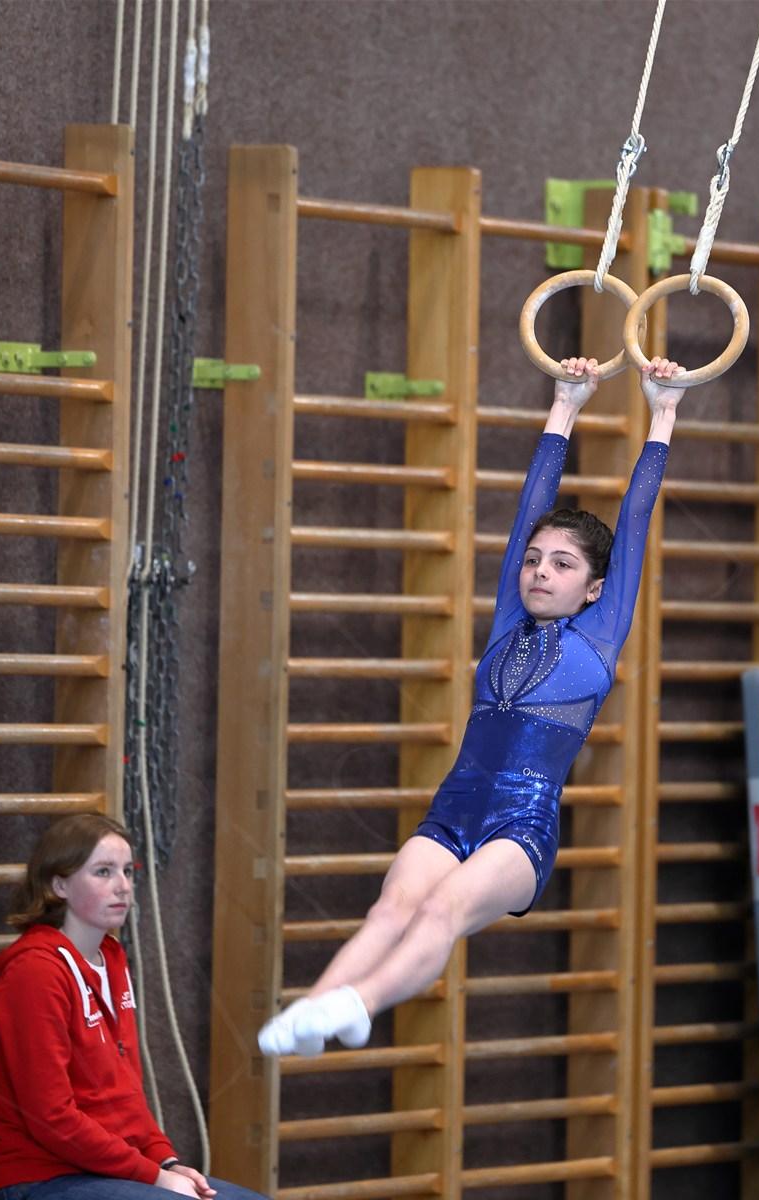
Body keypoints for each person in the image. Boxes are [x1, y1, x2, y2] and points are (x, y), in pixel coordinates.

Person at [258, 356, 687, 1057]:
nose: (539, 571)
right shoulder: (508, 622)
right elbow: (529, 506)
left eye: (562, 565)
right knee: (392, 906)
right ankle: (311, 1013)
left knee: (442, 910)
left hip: (523, 823)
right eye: (534, 560)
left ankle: (358, 1003)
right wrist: (565, 402)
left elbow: (636, 517)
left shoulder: (600, 638)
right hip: (456, 804)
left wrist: (662, 412)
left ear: (594, 589)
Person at [0, 813, 266, 1200]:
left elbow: (128, 1093)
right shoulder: (34, 971)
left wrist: (166, 1162)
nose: (123, 886)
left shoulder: (113, 958)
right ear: (59, 884)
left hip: (109, 1171)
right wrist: (151, 1175)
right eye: (103, 872)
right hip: (40, 1178)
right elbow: (50, 1117)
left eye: (128, 871)